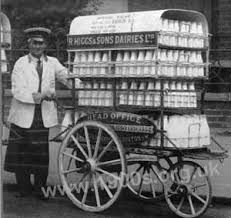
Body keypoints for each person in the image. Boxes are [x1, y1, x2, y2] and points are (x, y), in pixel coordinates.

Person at [4, 27, 76, 199]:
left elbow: (66, 76)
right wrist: (41, 95)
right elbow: (18, 91)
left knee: (40, 153)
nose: (38, 46)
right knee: (22, 153)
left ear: (46, 45)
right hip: (23, 114)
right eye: (34, 43)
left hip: (42, 116)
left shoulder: (52, 62)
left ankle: (40, 190)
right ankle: (24, 189)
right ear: (29, 44)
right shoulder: (21, 63)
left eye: (41, 43)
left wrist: (84, 86)